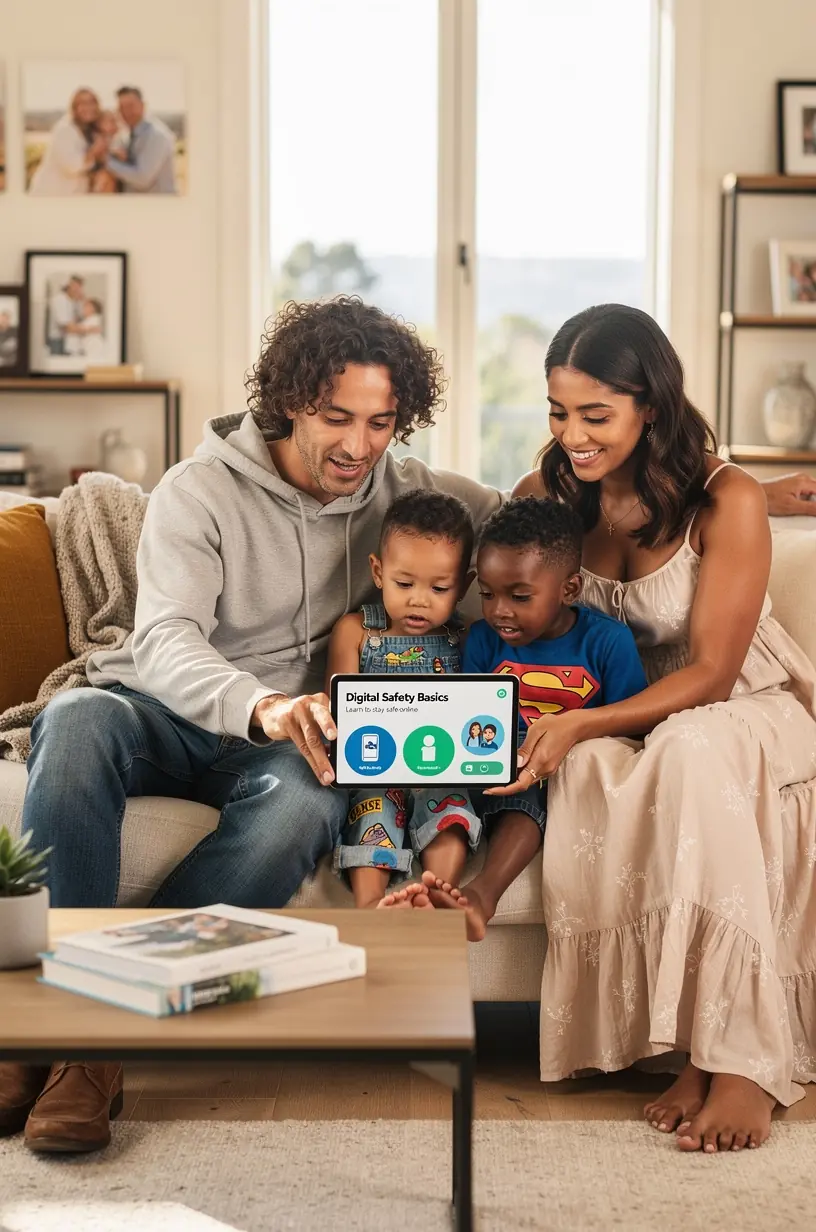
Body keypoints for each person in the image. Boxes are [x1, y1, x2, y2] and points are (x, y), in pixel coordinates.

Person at [0, 296, 501, 1154]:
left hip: (284, 746)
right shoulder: (203, 490)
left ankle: (87, 1046)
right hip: (168, 709)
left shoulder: (406, 492)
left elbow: (535, 512)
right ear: (290, 401)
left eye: (381, 421)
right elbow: (161, 640)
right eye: (336, 416)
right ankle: (52, 1028)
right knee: (77, 719)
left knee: (311, 803)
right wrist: (262, 703)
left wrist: (733, 486)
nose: (358, 444)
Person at [511, 303, 816, 1153]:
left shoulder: (725, 498)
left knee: (688, 747)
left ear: (652, 405)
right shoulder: (550, 496)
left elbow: (714, 675)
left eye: (596, 416)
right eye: (559, 412)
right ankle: (694, 1048)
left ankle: (747, 1062)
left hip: (743, 706)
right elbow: (494, 572)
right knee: (588, 769)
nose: (574, 434)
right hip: (629, 710)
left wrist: (584, 721)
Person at [423, 496, 647, 929]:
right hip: (488, 763)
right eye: (487, 594)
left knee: (523, 797)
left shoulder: (607, 642)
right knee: (438, 791)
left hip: (550, 777)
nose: (499, 610)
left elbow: (632, 724)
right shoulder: (484, 640)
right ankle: (432, 890)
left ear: (569, 589)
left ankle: (482, 896)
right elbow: (469, 714)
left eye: (520, 596)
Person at [326, 489, 482, 909]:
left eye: (439, 587)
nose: (418, 599)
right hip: (375, 768)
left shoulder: (467, 638)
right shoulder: (356, 631)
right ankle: (372, 905)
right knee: (372, 813)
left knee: (450, 814)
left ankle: (433, 892)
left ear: (464, 584)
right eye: (404, 583)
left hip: (441, 768)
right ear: (378, 572)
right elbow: (339, 709)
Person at [29, 88, 108, 195]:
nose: (89, 108)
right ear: (74, 107)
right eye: (83, 103)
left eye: (92, 103)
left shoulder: (91, 131)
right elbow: (72, 166)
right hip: (51, 195)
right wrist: (94, 152)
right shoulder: (64, 130)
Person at [105, 86, 177, 194]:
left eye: (130, 106)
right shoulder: (126, 135)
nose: (126, 112)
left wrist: (106, 162)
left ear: (143, 106)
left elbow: (142, 178)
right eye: (122, 107)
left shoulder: (156, 135)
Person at [46, 275, 85, 356]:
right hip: (57, 340)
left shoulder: (74, 301)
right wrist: (90, 330)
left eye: (79, 287)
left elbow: (80, 318)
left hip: (68, 340)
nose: (77, 289)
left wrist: (81, 301)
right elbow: (67, 327)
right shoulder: (59, 300)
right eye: (74, 286)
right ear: (68, 286)